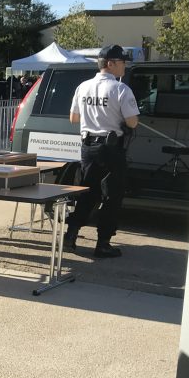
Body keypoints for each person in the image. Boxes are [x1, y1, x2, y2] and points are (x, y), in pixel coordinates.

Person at [63, 44, 140, 258]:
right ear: (111, 63)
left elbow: (73, 118)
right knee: (111, 196)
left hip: (88, 148)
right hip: (111, 149)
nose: (125, 66)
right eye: (122, 62)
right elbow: (132, 122)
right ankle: (103, 243)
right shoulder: (120, 89)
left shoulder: (83, 86)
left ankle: (71, 234)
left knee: (87, 192)